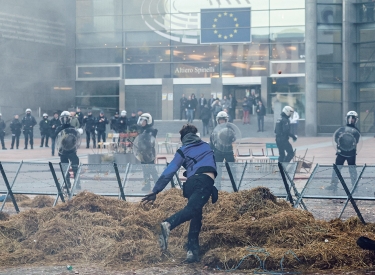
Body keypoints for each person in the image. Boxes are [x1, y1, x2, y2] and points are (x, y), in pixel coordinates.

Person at [142, 124, 217, 263]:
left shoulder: (183, 150)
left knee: (196, 214)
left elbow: (169, 171)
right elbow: (211, 166)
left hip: (192, 183)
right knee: (192, 210)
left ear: (183, 138)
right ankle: (168, 224)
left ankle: (192, 252)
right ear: (196, 135)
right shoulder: (207, 146)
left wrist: (155, 190)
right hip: (204, 182)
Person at [328, 111, 361, 190]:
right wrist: (339, 139)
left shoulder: (356, 131)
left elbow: (356, 141)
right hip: (341, 152)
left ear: (356, 120)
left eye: (353, 118)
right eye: (349, 118)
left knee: (352, 169)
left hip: (351, 152)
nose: (351, 120)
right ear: (346, 118)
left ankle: (354, 186)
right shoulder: (341, 129)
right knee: (337, 168)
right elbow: (336, 138)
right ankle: (333, 185)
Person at [55, 111, 81, 189]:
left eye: (67, 118)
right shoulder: (59, 128)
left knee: (75, 167)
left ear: (70, 119)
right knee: (65, 169)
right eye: (64, 118)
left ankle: (77, 184)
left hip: (72, 150)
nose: (65, 120)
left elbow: (76, 138)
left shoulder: (73, 129)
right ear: (61, 119)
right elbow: (55, 137)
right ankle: (67, 184)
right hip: (63, 151)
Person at [136, 113, 159, 191]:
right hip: (143, 153)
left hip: (149, 153)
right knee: (145, 171)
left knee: (152, 170)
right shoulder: (143, 130)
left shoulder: (151, 130)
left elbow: (150, 142)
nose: (142, 122)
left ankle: (158, 185)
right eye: (141, 120)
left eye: (143, 121)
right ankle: (147, 185)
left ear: (148, 121)